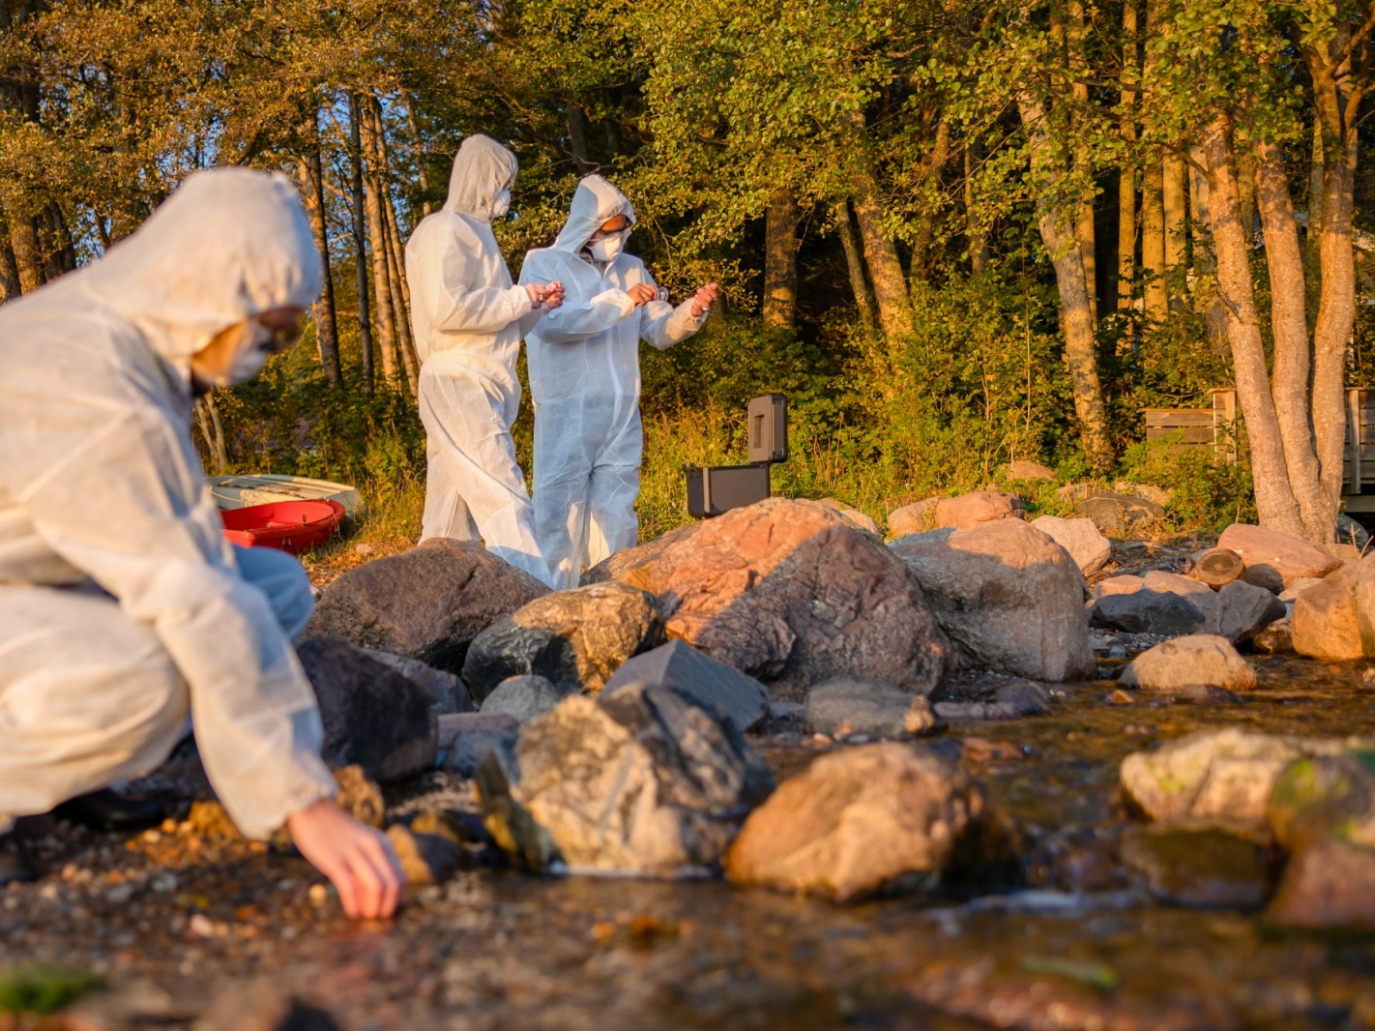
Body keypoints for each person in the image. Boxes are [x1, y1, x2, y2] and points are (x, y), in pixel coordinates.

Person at [0, 168, 405, 919]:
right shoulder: (92, 386)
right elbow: (191, 592)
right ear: (208, 289)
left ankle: (70, 778)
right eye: (268, 329)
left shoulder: (126, 332)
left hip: (26, 576)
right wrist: (303, 801)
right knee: (148, 673)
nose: (273, 351)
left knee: (274, 586)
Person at [519, 175, 718, 590]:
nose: (619, 240)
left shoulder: (631, 267)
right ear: (588, 227)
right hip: (567, 411)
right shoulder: (544, 263)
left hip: (620, 412)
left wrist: (691, 312)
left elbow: (659, 331)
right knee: (559, 515)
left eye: (624, 231)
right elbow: (550, 324)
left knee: (617, 516)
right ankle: (554, 606)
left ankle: (616, 602)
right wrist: (622, 302)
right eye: (611, 232)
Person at [405, 135, 563, 586]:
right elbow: (448, 310)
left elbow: (495, 324)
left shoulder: (478, 235)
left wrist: (535, 307)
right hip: (459, 380)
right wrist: (520, 297)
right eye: (504, 182)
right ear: (482, 178)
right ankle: (538, 596)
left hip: (480, 378)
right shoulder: (445, 229)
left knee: (448, 525)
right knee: (503, 492)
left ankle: (425, 604)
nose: (507, 194)